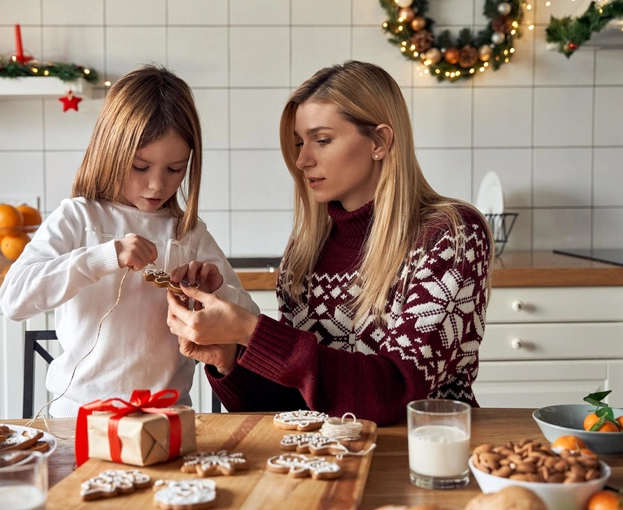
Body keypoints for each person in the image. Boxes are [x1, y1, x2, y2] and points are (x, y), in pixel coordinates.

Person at [165, 60, 493, 426]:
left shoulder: (451, 235)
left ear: (380, 142)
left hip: (424, 459)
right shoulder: (306, 251)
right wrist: (231, 359)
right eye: (299, 142)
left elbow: (396, 394)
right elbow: (296, 402)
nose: (303, 159)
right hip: (330, 463)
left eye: (322, 140)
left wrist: (251, 331)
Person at [0, 66, 258, 418]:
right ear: (111, 151)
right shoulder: (79, 217)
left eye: (175, 169)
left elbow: (250, 321)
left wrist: (215, 293)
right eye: (140, 167)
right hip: (78, 421)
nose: (157, 185)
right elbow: (14, 300)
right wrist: (104, 257)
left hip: (167, 418)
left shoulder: (188, 232)